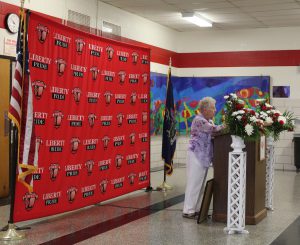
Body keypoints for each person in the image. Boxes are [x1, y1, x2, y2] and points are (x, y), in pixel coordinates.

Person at [183, 97, 224, 218]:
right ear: (205, 109)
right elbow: (214, 130)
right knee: (194, 182)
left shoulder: (208, 120)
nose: (215, 110)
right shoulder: (199, 120)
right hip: (196, 155)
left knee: (200, 184)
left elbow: (215, 132)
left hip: (204, 157)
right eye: (213, 108)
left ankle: (196, 209)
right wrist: (227, 125)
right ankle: (188, 210)